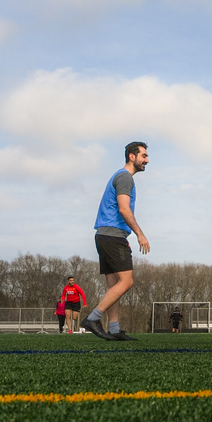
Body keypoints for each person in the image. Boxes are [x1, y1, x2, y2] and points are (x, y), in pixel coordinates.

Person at [81, 141, 151, 342]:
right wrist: (139, 233)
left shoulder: (120, 176)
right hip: (113, 236)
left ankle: (113, 328)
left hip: (104, 235)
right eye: (144, 156)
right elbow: (123, 208)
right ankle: (93, 319)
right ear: (132, 156)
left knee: (114, 285)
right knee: (127, 281)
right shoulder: (124, 178)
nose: (147, 160)